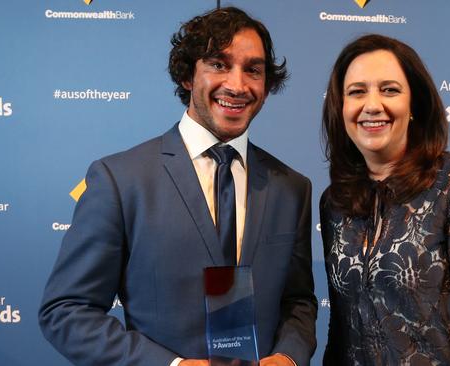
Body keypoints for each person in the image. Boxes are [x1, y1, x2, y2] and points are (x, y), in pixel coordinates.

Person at [39, 7, 316, 366]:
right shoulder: (120, 179)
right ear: (188, 76)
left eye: (253, 70)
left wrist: (289, 357)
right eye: (219, 64)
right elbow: (67, 311)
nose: (237, 84)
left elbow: (299, 301)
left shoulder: (292, 188)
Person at [320, 34, 450, 365]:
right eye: (356, 92)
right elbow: (341, 332)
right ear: (341, 107)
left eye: (390, 90)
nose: (372, 105)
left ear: (414, 106)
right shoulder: (335, 202)